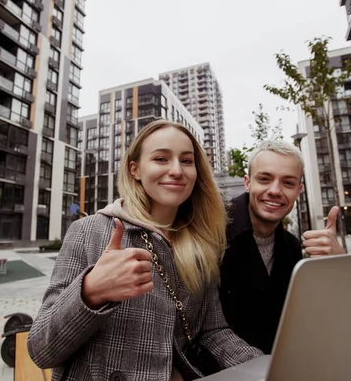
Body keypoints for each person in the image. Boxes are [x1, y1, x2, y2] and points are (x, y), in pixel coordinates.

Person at [27, 120, 263, 381]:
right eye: (161, 158)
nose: (176, 170)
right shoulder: (88, 231)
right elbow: (41, 351)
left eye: (186, 161)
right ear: (135, 169)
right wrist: (90, 291)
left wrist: (264, 365)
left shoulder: (200, 244)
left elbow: (213, 331)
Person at [219, 139, 346, 355]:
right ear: (248, 183)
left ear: (299, 190)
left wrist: (338, 266)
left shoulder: (292, 246)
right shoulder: (211, 230)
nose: (275, 191)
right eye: (265, 179)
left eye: (288, 183)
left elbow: (303, 318)